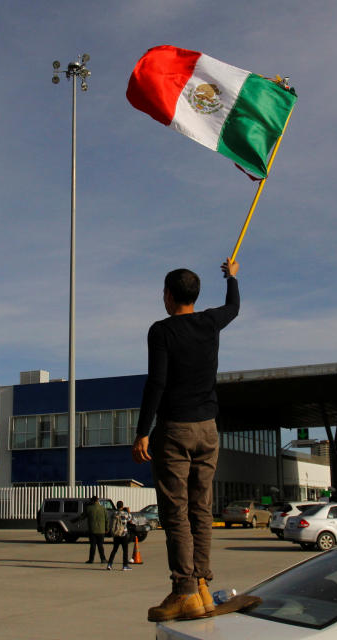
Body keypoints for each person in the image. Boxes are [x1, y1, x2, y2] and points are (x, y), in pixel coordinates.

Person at [132, 257, 240, 622]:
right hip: (209, 429)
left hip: (175, 429)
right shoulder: (211, 322)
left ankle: (184, 590)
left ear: (168, 296)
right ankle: (203, 586)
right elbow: (234, 307)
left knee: (175, 512)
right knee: (200, 509)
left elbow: (156, 383)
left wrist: (142, 431)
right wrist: (233, 278)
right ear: (194, 295)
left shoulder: (161, 331)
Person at [73, 496, 107, 563]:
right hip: (101, 530)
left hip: (92, 530)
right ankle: (103, 559)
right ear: (97, 500)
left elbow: (82, 517)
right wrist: (107, 528)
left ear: (92, 501)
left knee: (93, 545)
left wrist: (74, 520)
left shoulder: (88, 508)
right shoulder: (103, 508)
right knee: (100, 545)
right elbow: (107, 519)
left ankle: (91, 559)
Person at [106, 502, 133, 571]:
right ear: (122, 506)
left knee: (114, 550)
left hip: (116, 534)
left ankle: (109, 564)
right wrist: (128, 511)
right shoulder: (125, 514)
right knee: (125, 551)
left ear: (116, 506)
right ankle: (125, 565)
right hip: (123, 533)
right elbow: (130, 519)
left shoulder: (114, 513)